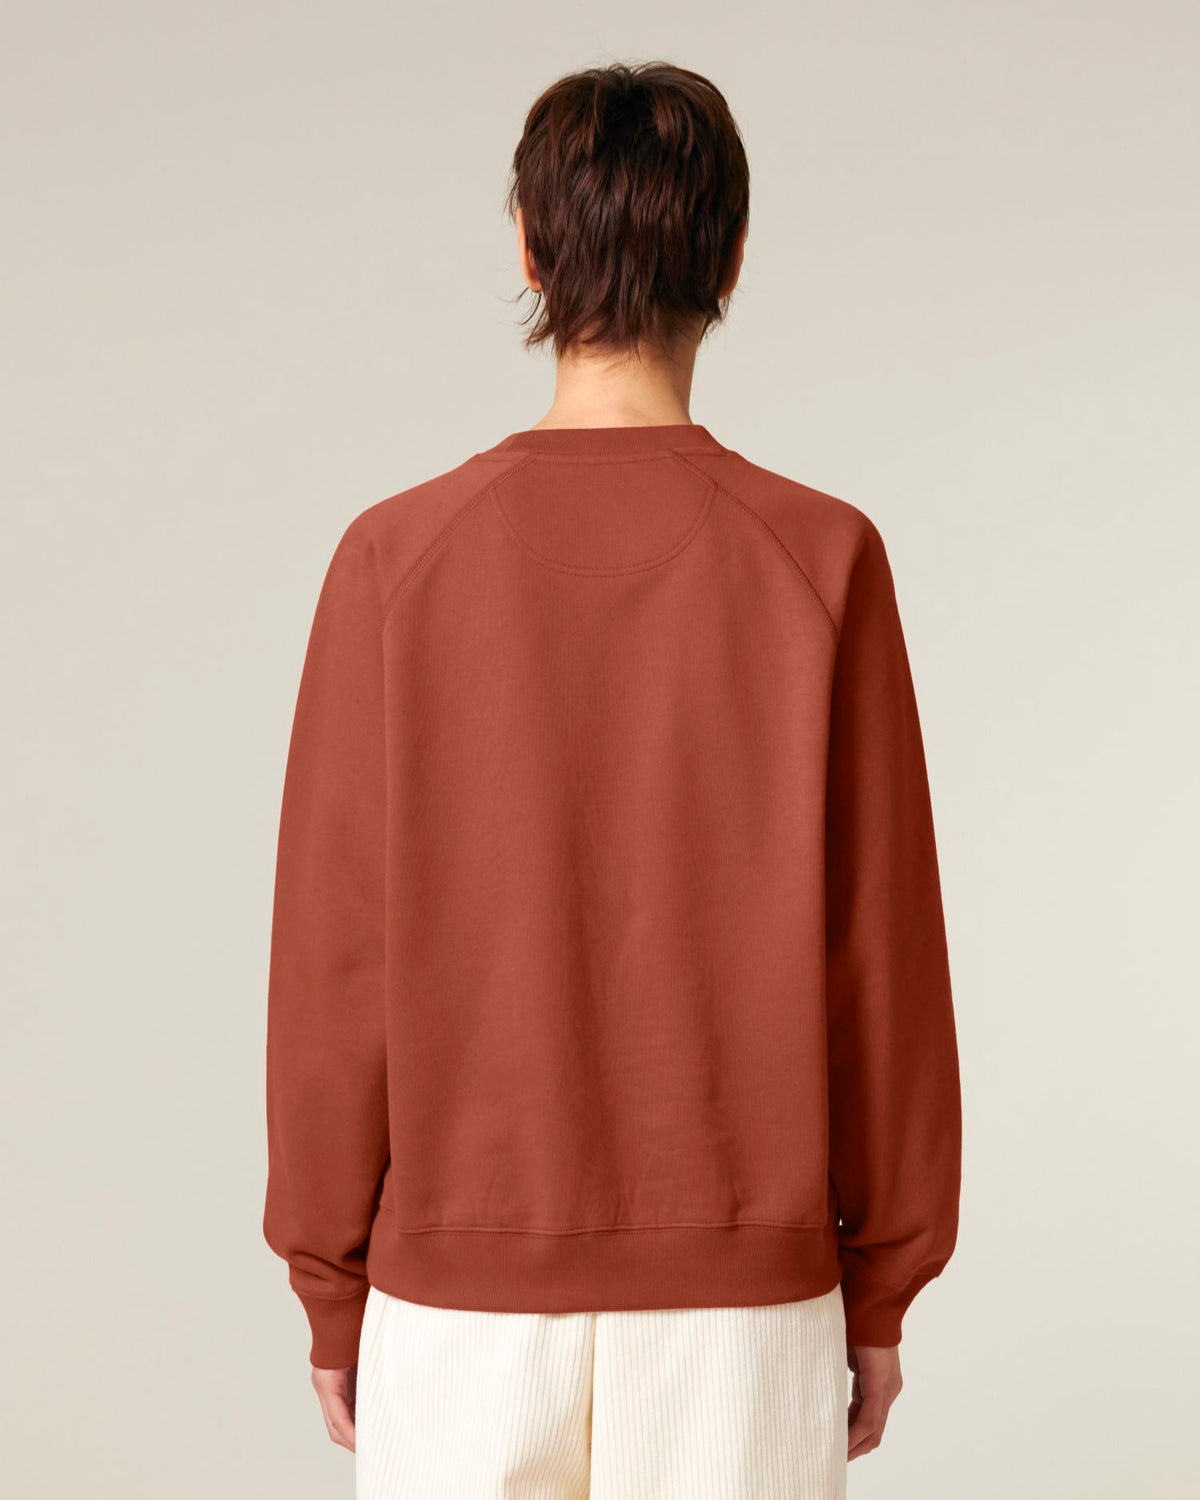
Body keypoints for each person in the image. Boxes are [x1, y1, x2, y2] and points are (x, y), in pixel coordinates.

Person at [262, 60, 961, 1500]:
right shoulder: (822, 558)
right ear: (734, 258)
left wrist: (331, 1283)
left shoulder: (395, 559)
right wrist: (881, 1287)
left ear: (527, 247)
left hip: (459, 1307)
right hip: (743, 1309)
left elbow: (337, 964)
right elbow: (880, 958)